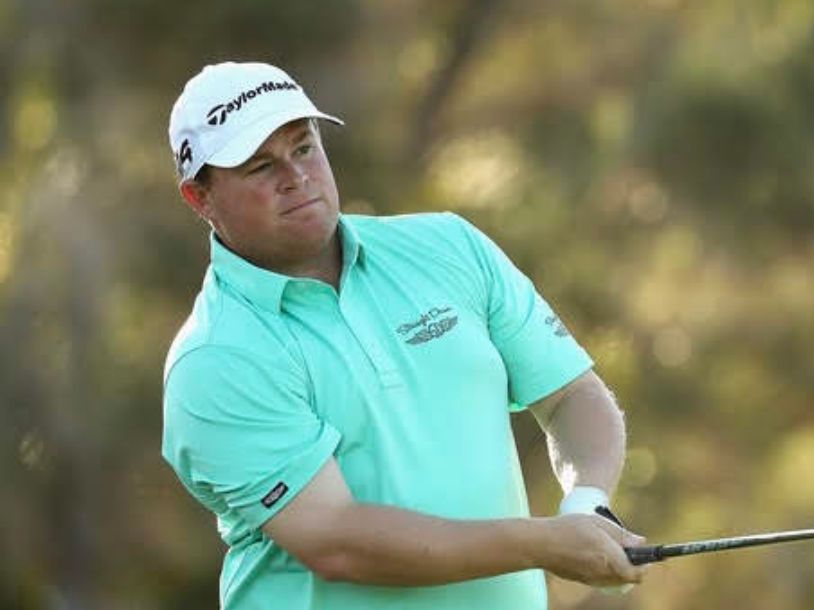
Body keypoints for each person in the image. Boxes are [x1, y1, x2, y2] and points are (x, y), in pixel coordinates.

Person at [161, 61, 647, 609]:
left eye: (304, 148)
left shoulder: (448, 247)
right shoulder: (216, 358)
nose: (295, 177)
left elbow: (570, 396)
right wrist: (541, 544)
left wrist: (586, 502)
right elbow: (338, 542)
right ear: (199, 198)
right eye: (259, 167)